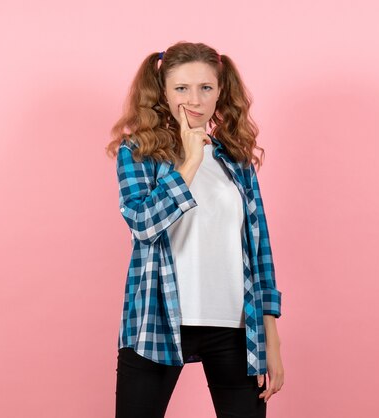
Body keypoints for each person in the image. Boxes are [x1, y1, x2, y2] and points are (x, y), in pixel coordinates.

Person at [105, 41, 284, 418]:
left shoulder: (236, 161)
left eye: (206, 88)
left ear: (221, 91)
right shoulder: (139, 152)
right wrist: (189, 162)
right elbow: (142, 224)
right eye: (181, 88)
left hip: (236, 325)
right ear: (163, 92)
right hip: (158, 319)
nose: (195, 100)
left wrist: (273, 342)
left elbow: (259, 250)